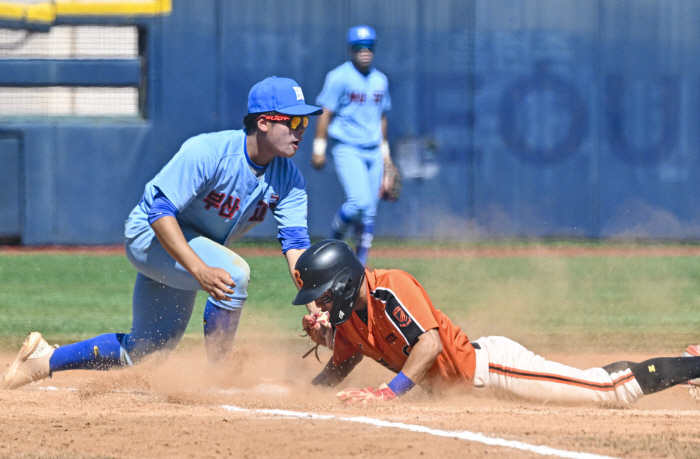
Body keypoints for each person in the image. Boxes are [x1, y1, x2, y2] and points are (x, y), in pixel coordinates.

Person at [1, 76, 323, 390]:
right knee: (233, 275)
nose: (301, 131)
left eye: (305, 124)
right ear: (264, 123)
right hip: (150, 236)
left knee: (144, 353)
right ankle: (219, 377)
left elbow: (296, 245)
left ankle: (43, 360)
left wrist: (315, 307)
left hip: (191, 246)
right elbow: (159, 211)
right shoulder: (209, 151)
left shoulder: (289, 179)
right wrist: (199, 269)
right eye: (294, 122)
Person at [293, 239, 700, 405]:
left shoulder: (390, 287)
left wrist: (390, 393)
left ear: (345, 282)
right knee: (589, 381)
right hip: (466, 393)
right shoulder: (348, 322)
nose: (321, 305)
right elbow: (340, 367)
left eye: (324, 294)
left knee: (606, 391)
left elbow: (429, 344)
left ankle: (693, 362)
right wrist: (302, 398)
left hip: (493, 370)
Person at [311, 25, 394, 265]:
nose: (364, 51)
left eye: (369, 47)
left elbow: (381, 117)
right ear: (350, 50)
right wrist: (319, 149)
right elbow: (325, 113)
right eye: (359, 47)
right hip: (347, 147)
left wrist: (386, 154)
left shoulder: (380, 80)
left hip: (374, 150)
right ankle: (333, 242)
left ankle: (361, 264)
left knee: (369, 210)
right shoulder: (339, 76)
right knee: (358, 203)